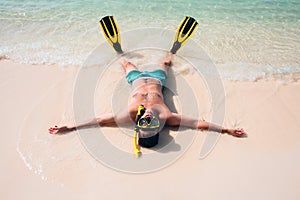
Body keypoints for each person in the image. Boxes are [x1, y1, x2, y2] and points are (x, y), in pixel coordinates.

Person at [49, 53, 245, 147]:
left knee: (127, 64)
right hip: (158, 79)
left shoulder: (130, 116)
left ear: (138, 125)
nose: (148, 117)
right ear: (159, 128)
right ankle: (172, 50)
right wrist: (226, 130)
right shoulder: (167, 117)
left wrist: (71, 126)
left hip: (136, 79)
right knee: (166, 62)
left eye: (144, 122)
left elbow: (99, 120)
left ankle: (120, 53)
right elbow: (196, 123)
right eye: (152, 122)